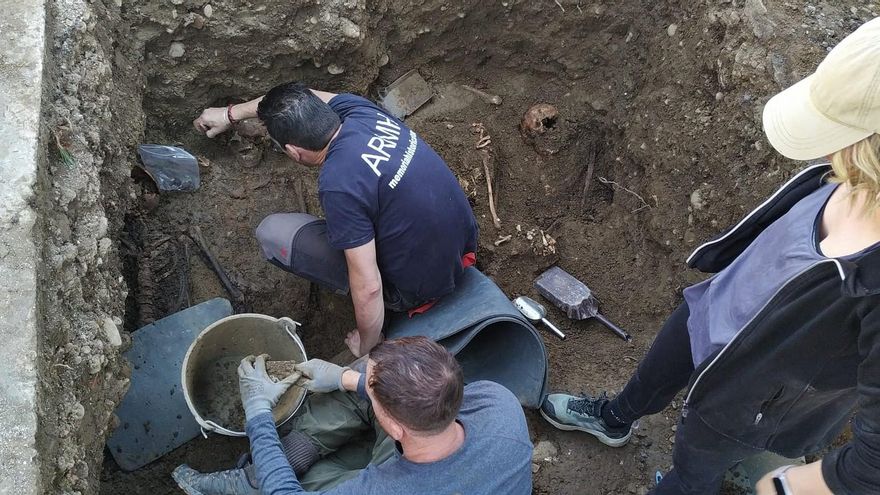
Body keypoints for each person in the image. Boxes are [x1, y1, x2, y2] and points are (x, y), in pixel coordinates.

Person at [540, 17, 880, 495]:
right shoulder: (843, 178)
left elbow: (872, 464)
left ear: (869, 149)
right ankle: (615, 418)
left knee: (693, 470)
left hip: (745, 399)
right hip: (712, 307)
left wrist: (794, 485)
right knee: (654, 373)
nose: (825, 150)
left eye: (837, 136)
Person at [193, 85, 478, 357]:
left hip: (422, 290)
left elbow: (370, 287)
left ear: (293, 152)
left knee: (273, 232)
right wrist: (229, 114)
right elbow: (296, 96)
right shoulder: (361, 111)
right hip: (462, 244)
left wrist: (368, 345)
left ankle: (392, 313)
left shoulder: (339, 185)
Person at [173, 336, 533, 494]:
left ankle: (248, 481)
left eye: (372, 390)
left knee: (295, 481)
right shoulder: (498, 403)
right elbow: (404, 398)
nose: (363, 380)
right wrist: (346, 378)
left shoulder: (382, 490)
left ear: (395, 428)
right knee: (366, 386)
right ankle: (290, 454)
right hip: (445, 463)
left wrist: (257, 410)